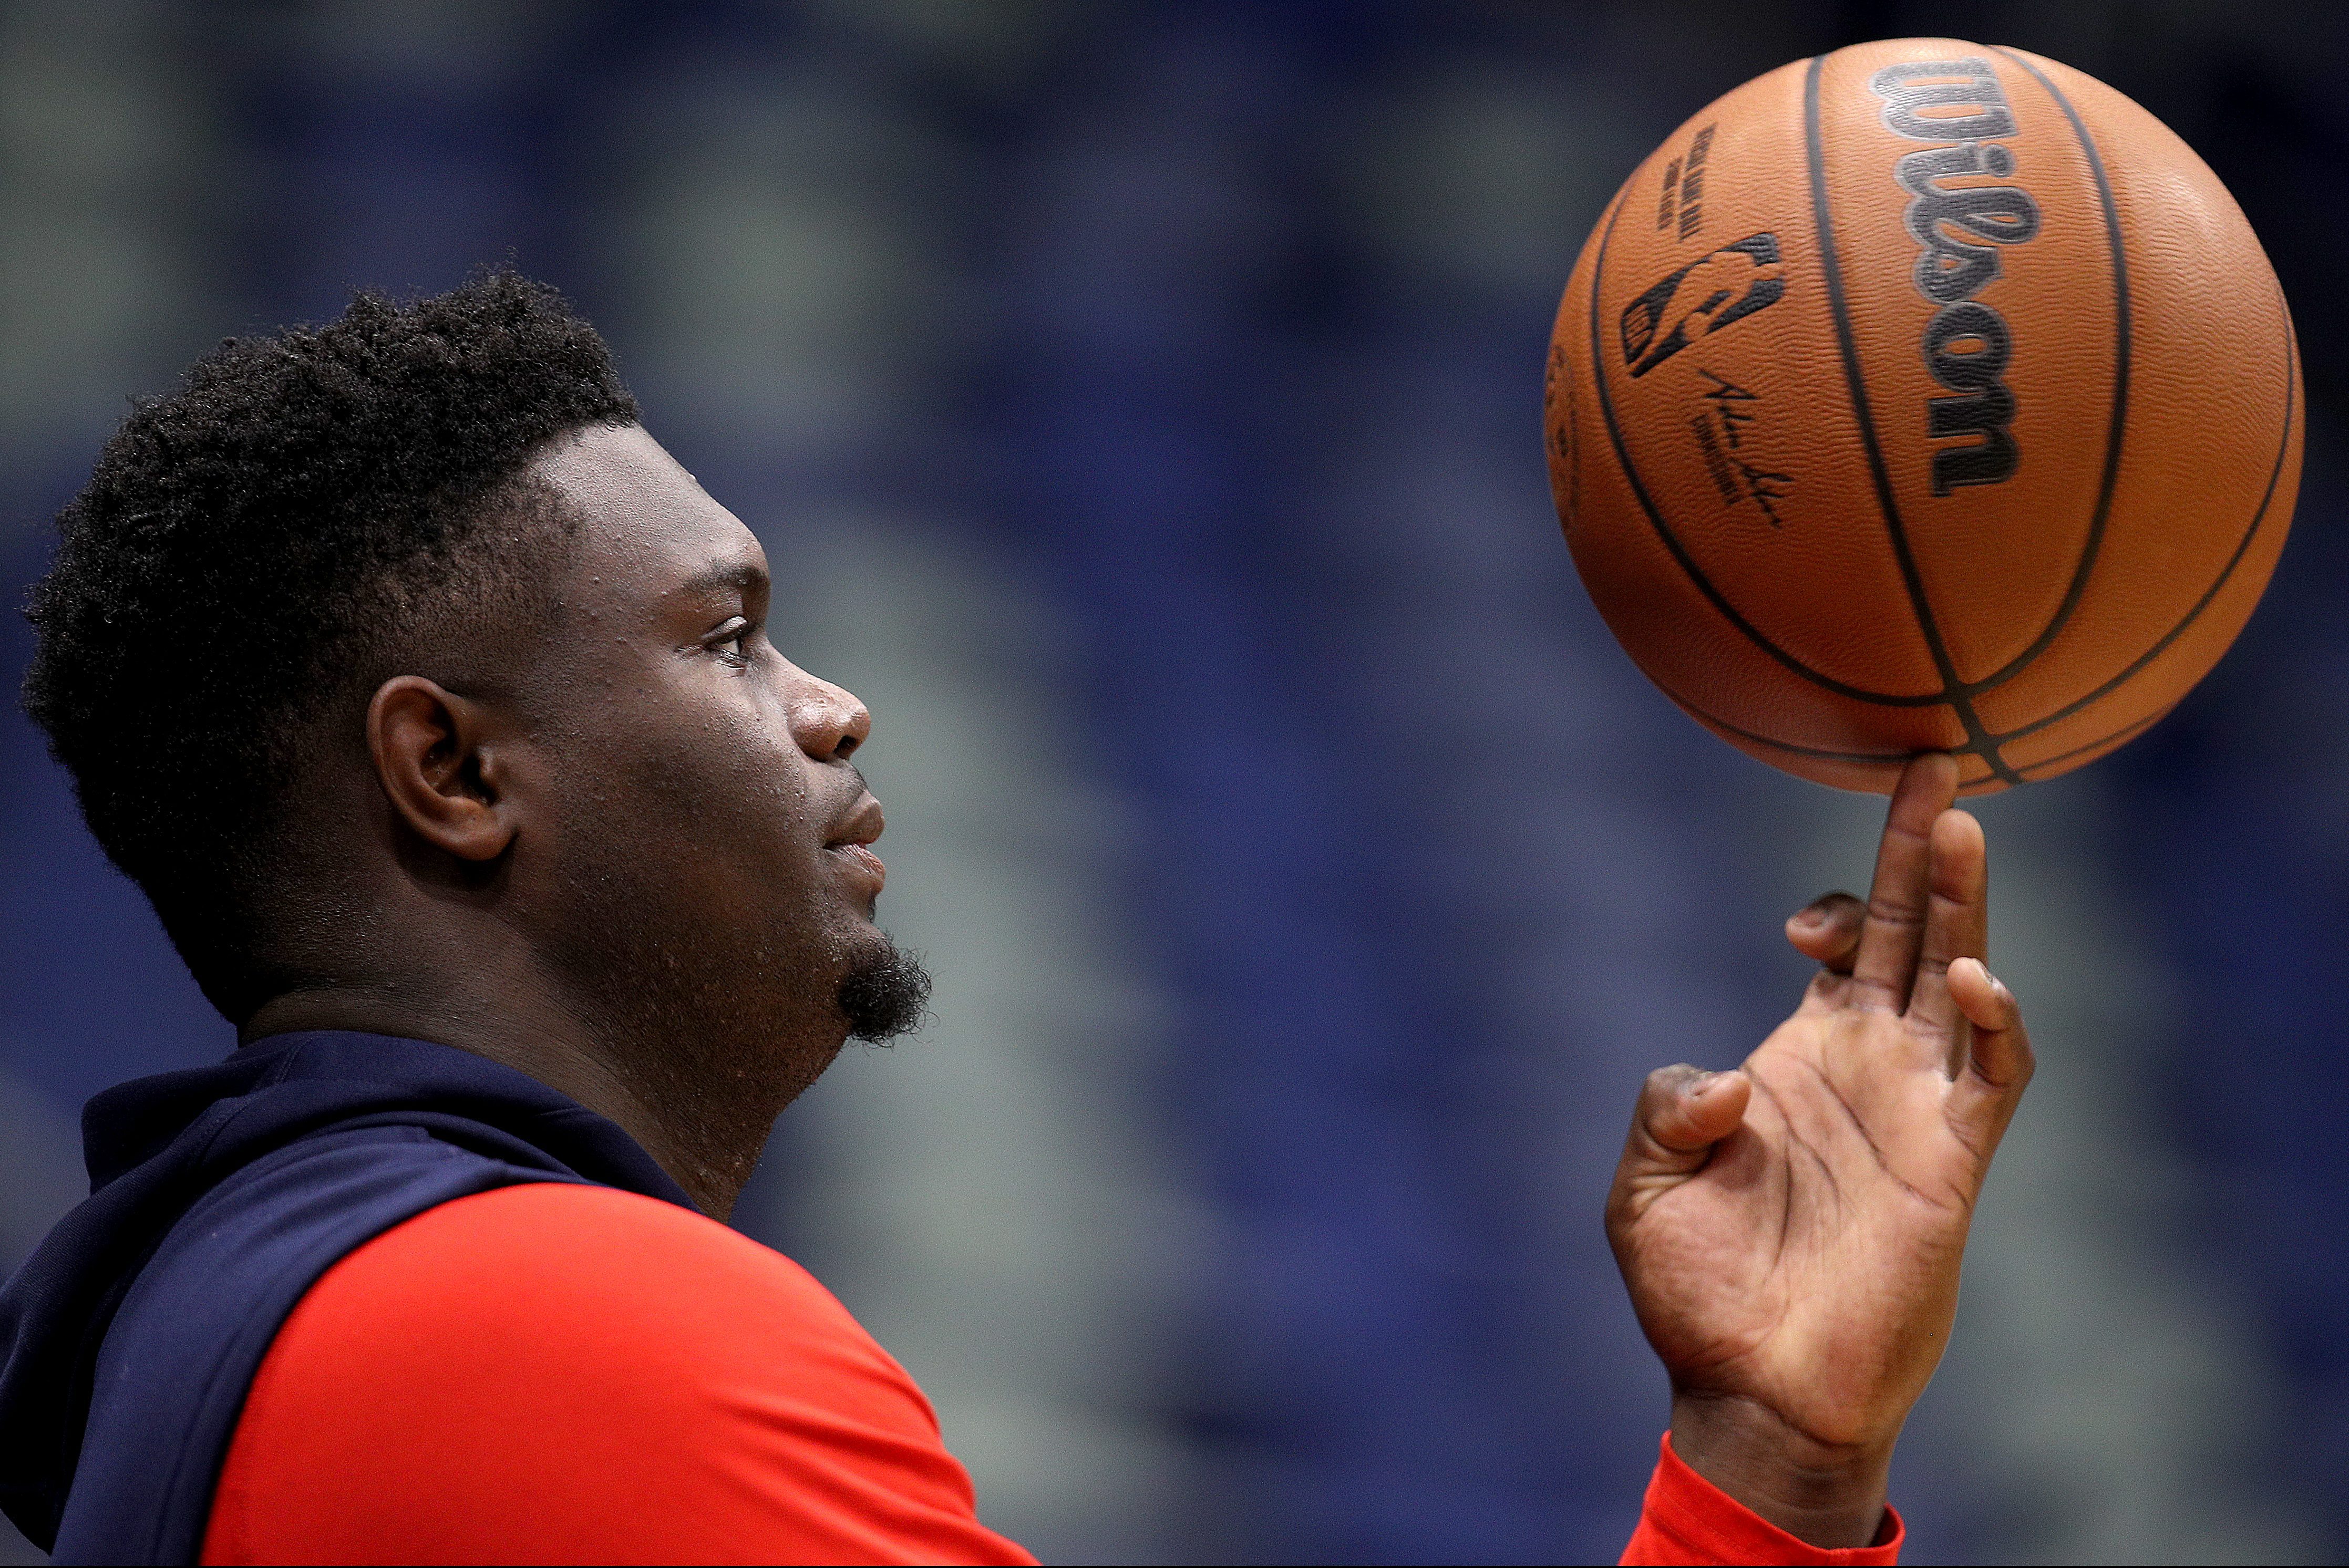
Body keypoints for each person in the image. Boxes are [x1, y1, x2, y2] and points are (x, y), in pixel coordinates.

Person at [0, 274, 2031, 1566]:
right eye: (726, 638)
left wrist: (1774, 1453)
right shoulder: (548, 1332)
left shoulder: (237, 1327)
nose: (829, 703)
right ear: (451, 774)